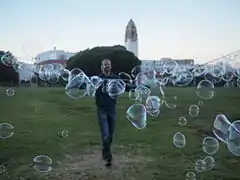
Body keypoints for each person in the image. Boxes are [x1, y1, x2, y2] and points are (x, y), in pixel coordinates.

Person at [95, 59, 133, 167]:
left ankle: (105, 150)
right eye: (105, 65)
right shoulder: (98, 79)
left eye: (108, 65)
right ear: (101, 67)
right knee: (105, 134)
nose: (107, 66)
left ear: (111, 67)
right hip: (102, 110)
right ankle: (108, 157)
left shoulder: (115, 78)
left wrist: (138, 88)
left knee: (110, 135)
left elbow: (125, 87)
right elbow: (88, 87)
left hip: (112, 110)